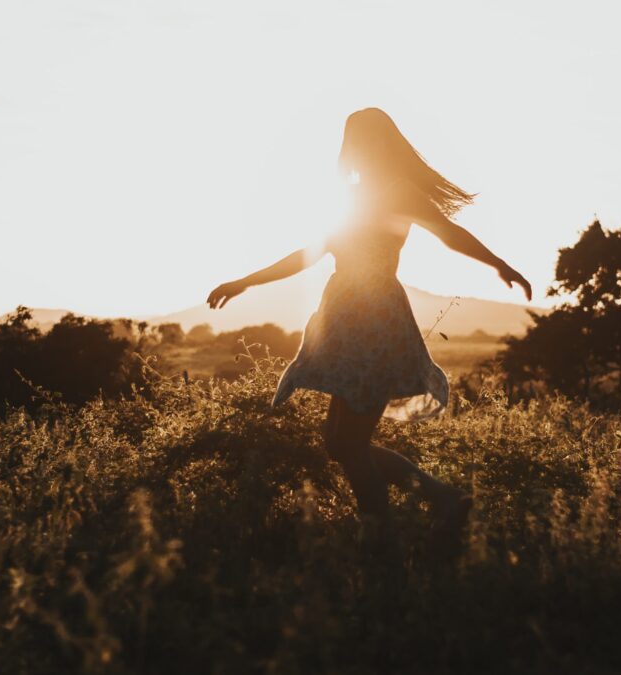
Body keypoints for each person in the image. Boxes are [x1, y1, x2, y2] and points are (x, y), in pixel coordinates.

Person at [207, 108, 531, 536]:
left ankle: (386, 539)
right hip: (343, 322)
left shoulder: (400, 192)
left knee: (352, 446)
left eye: (363, 141)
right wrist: (246, 281)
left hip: (376, 322)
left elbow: (449, 234)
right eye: (351, 142)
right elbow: (308, 253)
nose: (355, 151)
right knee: (338, 444)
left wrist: (499, 264)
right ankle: (440, 499)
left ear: (382, 144)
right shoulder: (350, 198)